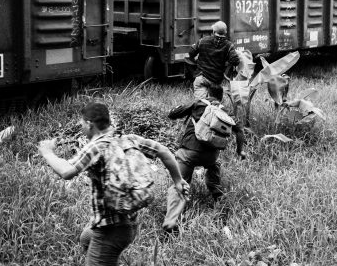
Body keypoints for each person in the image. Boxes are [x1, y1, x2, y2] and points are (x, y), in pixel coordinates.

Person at [37, 102, 189, 266]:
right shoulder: (129, 139)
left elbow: (67, 171)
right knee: (86, 238)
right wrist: (178, 180)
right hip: (129, 222)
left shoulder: (96, 147)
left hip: (110, 231)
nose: (81, 127)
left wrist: (47, 152)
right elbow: (164, 151)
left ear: (89, 125)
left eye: (81, 123)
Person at [164, 84, 246, 230]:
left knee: (180, 184)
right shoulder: (225, 111)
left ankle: (172, 220)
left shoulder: (199, 103)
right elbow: (239, 131)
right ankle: (221, 207)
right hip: (211, 156)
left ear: (207, 93)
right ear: (221, 97)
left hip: (189, 152)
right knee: (214, 168)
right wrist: (240, 151)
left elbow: (172, 114)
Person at [189, 21, 240, 99]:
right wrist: (225, 63)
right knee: (215, 106)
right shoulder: (228, 46)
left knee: (200, 104)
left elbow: (191, 53)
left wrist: (196, 59)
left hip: (201, 77)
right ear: (225, 32)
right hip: (215, 81)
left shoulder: (203, 41)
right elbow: (235, 61)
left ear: (213, 31)